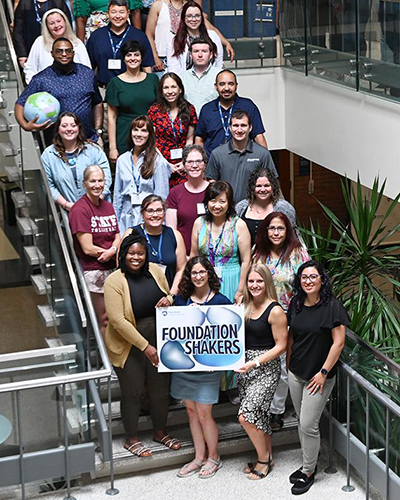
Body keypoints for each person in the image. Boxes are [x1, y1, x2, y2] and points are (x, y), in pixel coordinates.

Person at [104, 231, 181, 456]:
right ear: (123, 254)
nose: (136, 257)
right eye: (131, 253)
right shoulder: (114, 281)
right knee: (133, 392)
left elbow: (168, 295)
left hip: (159, 338)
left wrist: (170, 299)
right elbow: (118, 321)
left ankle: (160, 432)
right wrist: (145, 347)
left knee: (160, 391)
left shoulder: (156, 271)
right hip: (129, 343)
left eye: (140, 253)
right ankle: (132, 438)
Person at [287, 260, 348, 495]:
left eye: (313, 277)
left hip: (318, 376)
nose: (308, 281)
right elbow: (293, 335)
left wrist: (323, 373)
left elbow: (339, 342)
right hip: (296, 372)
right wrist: (289, 362)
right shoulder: (297, 303)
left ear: (322, 279)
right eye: (304, 277)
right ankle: (309, 459)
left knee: (308, 424)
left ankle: (309, 470)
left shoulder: (331, 306)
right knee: (302, 421)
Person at [171, 256, 231, 478]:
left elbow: (228, 338)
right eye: (193, 273)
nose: (197, 277)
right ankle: (198, 457)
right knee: (190, 412)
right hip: (184, 368)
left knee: (205, 414)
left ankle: (213, 457)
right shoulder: (181, 301)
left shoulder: (221, 301)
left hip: (208, 369)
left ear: (209, 274)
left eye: (201, 272)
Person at [253, 211, 310, 430]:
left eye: (280, 228)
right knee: (265, 364)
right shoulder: (258, 254)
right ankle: (262, 407)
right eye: (272, 228)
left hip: (289, 318)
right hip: (262, 317)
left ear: (287, 231)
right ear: (266, 231)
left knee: (284, 368)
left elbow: (308, 283)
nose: (276, 233)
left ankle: (276, 411)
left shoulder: (298, 253)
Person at [235, 263, 288, 480]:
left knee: (246, 416)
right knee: (259, 415)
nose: (255, 285)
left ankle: (263, 460)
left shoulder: (275, 310)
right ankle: (270, 456)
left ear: (267, 283)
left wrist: (255, 362)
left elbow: (281, 345)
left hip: (265, 368)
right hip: (244, 367)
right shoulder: (244, 304)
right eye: (251, 281)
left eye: (259, 281)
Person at [15, 38, 103, 145]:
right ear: (52, 53)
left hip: (88, 141)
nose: (64, 54)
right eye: (59, 51)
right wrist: (25, 125)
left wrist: (98, 130)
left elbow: (97, 102)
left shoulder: (87, 74)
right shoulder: (41, 79)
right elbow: (20, 103)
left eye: (68, 51)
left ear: (73, 53)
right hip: (57, 145)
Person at [69, 165, 120, 337]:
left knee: (118, 318)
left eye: (100, 181)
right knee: (104, 319)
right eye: (93, 181)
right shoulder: (79, 210)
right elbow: (87, 247)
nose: (97, 185)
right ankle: (108, 362)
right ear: (84, 184)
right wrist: (108, 252)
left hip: (114, 268)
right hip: (95, 272)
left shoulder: (108, 206)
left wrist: (112, 250)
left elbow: (118, 235)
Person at [190, 181, 251, 305]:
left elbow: (246, 261)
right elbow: (193, 255)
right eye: (213, 200)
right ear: (207, 202)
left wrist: (240, 290)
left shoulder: (239, 225)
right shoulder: (199, 223)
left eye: (222, 201)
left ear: (229, 203)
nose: (217, 206)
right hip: (203, 280)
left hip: (231, 278)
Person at [41, 112, 112, 210]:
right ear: (58, 129)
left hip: (99, 210)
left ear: (78, 128)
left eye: (73, 125)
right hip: (69, 211)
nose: (69, 129)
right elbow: (48, 186)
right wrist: (67, 205)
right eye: (64, 126)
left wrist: (95, 202)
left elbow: (106, 178)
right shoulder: (48, 155)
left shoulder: (94, 150)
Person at [113, 116, 171, 234]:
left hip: (149, 218)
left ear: (150, 134)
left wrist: (161, 226)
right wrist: (116, 226)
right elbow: (117, 196)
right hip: (126, 217)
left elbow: (162, 197)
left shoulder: (157, 161)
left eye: (144, 131)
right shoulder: (122, 160)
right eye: (136, 130)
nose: (139, 134)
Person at [206, 111, 277, 203]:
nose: (239, 130)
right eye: (235, 126)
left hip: (253, 209)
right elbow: (212, 184)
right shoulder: (217, 154)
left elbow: (272, 183)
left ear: (250, 127)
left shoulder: (262, 154)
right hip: (226, 209)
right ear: (230, 128)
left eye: (243, 125)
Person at [122, 195, 187, 294]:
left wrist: (171, 295)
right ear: (142, 213)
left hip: (168, 293)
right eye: (150, 211)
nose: (155, 215)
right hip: (138, 294)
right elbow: (122, 266)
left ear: (164, 212)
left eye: (159, 210)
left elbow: (181, 269)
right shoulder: (131, 233)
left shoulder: (175, 235)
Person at [106, 40, 159, 161]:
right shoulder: (115, 83)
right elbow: (111, 117)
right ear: (124, 59)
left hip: (149, 132)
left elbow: (160, 110)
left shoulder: (153, 79)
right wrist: (113, 148)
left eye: (136, 54)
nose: (133, 58)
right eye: (129, 55)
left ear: (141, 58)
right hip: (125, 133)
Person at [195, 69, 268, 157]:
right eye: (222, 84)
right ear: (216, 86)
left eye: (231, 84)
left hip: (242, 162)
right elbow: (199, 138)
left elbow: (258, 136)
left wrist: (265, 162)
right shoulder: (207, 109)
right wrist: (201, 161)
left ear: (236, 86)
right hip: (213, 164)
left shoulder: (248, 106)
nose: (226, 88)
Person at [86, 0, 155, 89]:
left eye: (121, 12)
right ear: (108, 13)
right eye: (113, 12)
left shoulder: (139, 36)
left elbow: (147, 67)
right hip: (103, 90)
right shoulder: (97, 36)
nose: (117, 16)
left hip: (132, 89)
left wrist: (149, 90)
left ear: (128, 13)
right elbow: (88, 68)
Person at [148, 72, 197, 187]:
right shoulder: (154, 110)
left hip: (183, 164)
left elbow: (189, 139)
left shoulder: (189, 109)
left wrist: (185, 161)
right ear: (161, 91)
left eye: (173, 87)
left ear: (180, 89)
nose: (170, 91)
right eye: (166, 88)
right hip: (160, 162)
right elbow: (152, 140)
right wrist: (166, 164)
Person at [24, 9, 91, 84]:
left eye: (59, 21)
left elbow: (87, 69)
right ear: (47, 26)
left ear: (65, 22)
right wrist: (36, 87)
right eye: (51, 23)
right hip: (46, 91)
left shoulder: (77, 43)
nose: (56, 25)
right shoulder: (40, 42)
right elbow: (30, 69)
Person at [235, 166, 296, 247]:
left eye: (267, 185)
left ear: (273, 187)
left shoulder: (285, 208)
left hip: (274, 257)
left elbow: (292, 237)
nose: (263, 189)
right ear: (252, 188)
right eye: (258, 186)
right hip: (244, 258)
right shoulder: (240, 207)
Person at [166, 144, 209, 254]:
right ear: (184, 166)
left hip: (212, 255)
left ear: (205, 165)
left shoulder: (214, 191)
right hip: (184, 254)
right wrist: (181, 256)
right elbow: (172, 231)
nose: (194, 165)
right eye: (190, 162)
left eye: (199, 161)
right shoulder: (175, 193)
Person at [166, 1, 223, 75]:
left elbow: (218, 64)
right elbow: (174, 70)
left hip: (211, 82)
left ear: (201, 18)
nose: (193, 19)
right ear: (183, 18)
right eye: (189, 16)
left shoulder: (213, 36)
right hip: (185, 83)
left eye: (197, 15)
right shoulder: (175, 41)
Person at [13, 0, 72, 68]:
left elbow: (67, 26)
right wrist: (22, 55)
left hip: (55, 46)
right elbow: (18, 31)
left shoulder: (58, 2)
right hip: (30, 46)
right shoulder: (25, 3)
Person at [180, 38, 219, 115]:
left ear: (211, 55)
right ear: (191, 55)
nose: (200, 55)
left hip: (213, 122)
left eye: (204, 51)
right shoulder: (182, 77)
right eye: (196, 51)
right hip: (189, 123)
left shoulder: (220, 75)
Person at [74, 0, 142, 42]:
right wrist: (81, 46)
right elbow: (81, 19)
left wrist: (138, 39)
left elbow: (135, 13)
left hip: (123, 31)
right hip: (96, 34)